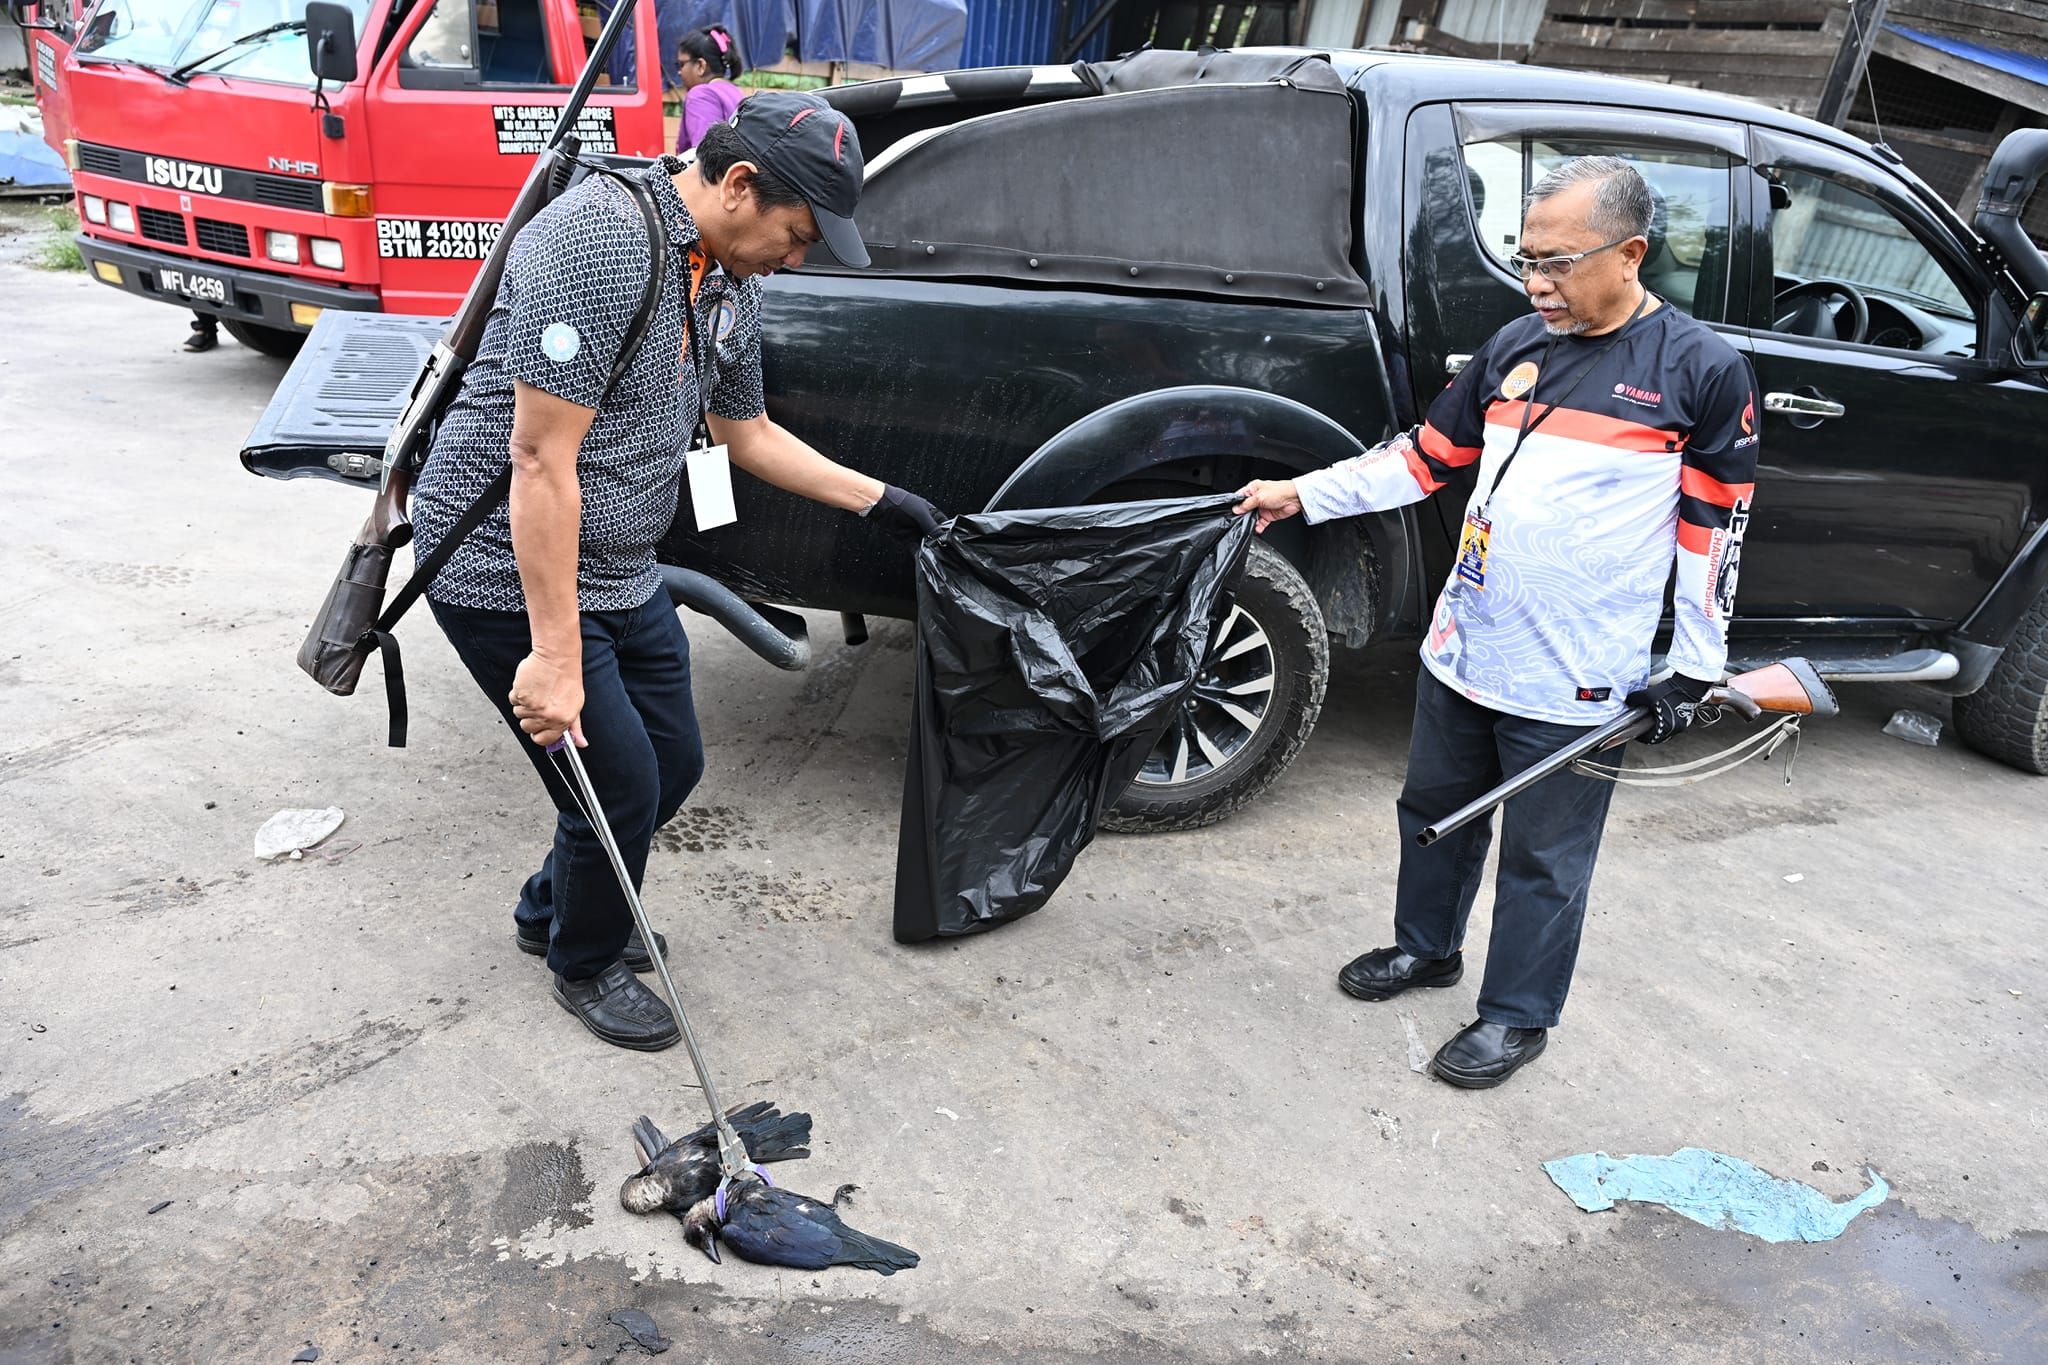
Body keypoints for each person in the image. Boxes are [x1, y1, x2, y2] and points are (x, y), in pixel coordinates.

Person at [410, 91, 942, 1051]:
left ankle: (556, 909)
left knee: (673, 763)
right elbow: (539, 462)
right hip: (502, 562)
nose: (798, 256)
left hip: (617, 560)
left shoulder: (730, 274)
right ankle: (583, 961)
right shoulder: (601, 242)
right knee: (615, 784)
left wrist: (883, 501)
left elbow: (747, 433)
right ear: (739, 185)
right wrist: (555, 656)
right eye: (797, 234)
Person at [1235, 156, 1760, 1089]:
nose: (1536, 282)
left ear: (1631, 253)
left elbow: (1716, 528)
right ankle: (1424, 948)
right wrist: (1300, 495)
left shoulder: (1701, 371)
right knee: (1432, 813)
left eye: (1558, 263)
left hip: (1580, 676)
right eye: (1527, 259)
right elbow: (1423, 459)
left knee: (1545, 858)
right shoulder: (1517, 344)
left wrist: (1695, 663)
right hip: (1466, 644)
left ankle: (1518, 1015)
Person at [675, 25, 746, 153]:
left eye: (681, 64)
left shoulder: (701, 95)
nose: (680, 72)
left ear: (701, 65)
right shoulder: (734, 91)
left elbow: (703, 157)